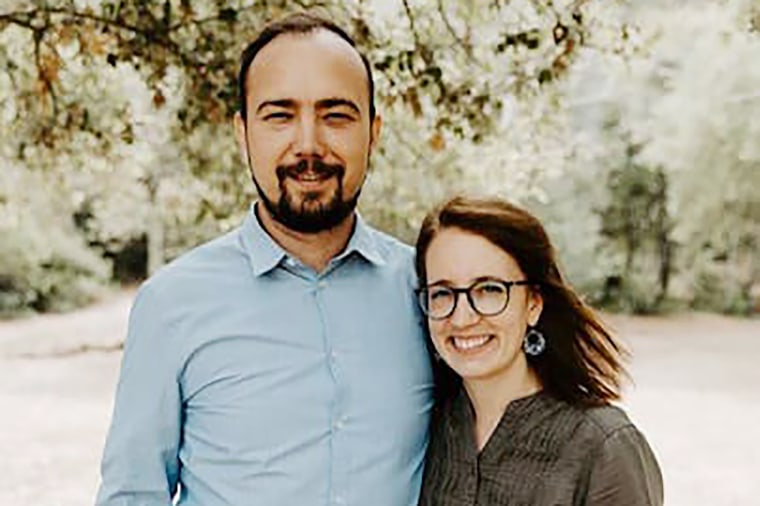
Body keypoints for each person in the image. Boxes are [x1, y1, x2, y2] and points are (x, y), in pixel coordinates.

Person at [96, 13, 433, 506]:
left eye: (336, 114)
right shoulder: (172, 304)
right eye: (279, 114)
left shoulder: (429, 293)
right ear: (243, 132)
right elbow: (132, 495)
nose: (309, 145)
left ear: (374, 132)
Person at [415, 196, 664, 505]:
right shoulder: (423, 428)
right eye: (442, 293)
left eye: (489, 290)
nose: (462, 317)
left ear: (533, 303)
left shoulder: (602, 446)